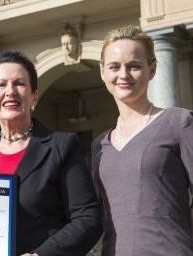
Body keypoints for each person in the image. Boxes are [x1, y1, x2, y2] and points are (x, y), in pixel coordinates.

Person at [0, 51, 102, 255]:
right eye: (1, 84)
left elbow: (88, 219)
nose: (10, 91)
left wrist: (40, 255)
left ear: (34, 96)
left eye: (19, 83)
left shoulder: (62, 146)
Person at [92, 25, 193, 255]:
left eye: (134, 66)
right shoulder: (99, 145)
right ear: (102, 72)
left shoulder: (179, 122)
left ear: (152, 69)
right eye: (114, 67)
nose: (123, 75)